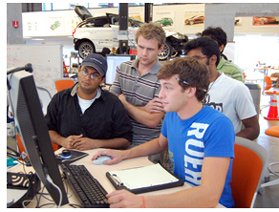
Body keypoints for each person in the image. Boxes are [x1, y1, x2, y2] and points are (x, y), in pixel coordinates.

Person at [92, 57, 236, 208]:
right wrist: (124, 154)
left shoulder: (218, 125)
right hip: (181, 193)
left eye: (167, 87)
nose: (160, 95)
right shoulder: (173, 113)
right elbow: (161, 143)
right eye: (161, 87)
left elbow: (210, 196)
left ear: (190, 90)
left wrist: (142, 203)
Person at [45, 53, 133, 151]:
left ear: (102, 80)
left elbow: (126, 139)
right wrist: (62, 141)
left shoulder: (113, 104)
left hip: (99, 161)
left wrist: (97, 144)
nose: (87, 78)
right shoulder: (60, 99)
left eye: (94, 75)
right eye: (85, 71)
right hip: (68, 159)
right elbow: (46, 129)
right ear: (78, 71)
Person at [184, 37, 260, 140]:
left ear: (213, 59)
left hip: (219, 153)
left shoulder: (236, 88)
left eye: (196, 59)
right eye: (188, 60)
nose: (191, 65)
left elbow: (253, 129)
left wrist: (224, 143)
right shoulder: (186, 87)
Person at [110, 22, 166, 149]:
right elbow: (110, 106)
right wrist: (143, 109)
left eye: (150, 49)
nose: (144, 53)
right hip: (119, 139)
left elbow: (152, 121)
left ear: (160, 48)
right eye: (141, 47)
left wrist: (124, 103)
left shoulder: (165, 77)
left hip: (147, 144)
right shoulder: (123, 68)